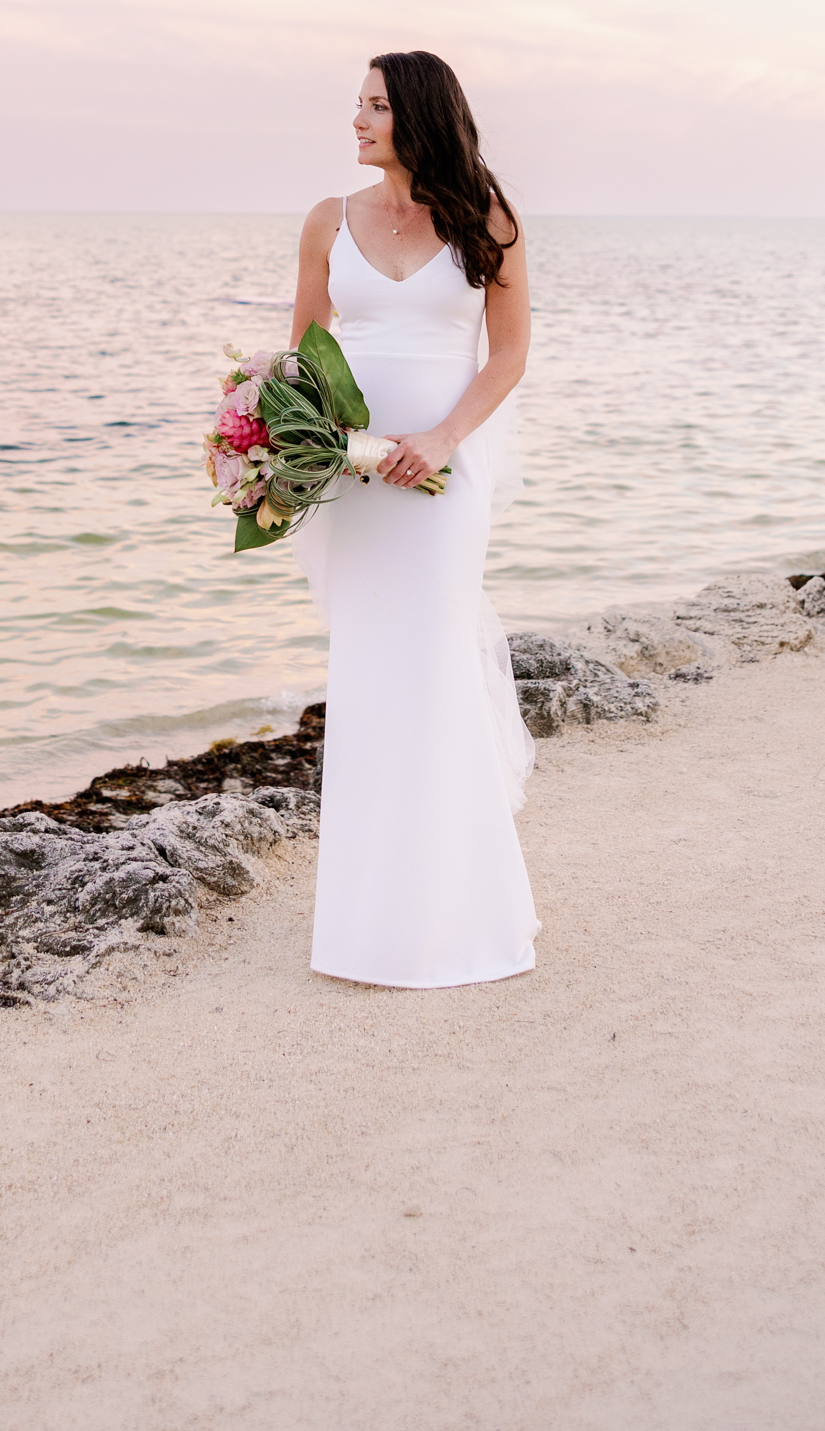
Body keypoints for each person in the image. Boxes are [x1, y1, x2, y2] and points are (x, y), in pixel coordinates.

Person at [290, 50, 539, 988]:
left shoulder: (487, 218)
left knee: (433, 673)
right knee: (366, 680)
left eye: (375, 107)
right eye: (356, 105)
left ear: (420, 115)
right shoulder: (327, 221)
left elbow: (507, 357)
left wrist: (439, 439)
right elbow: (305, 357)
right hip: (356, 483)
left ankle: (464, 920)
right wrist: (289, 449)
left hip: (443, 479)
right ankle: (365, 929)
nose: (356, 121)